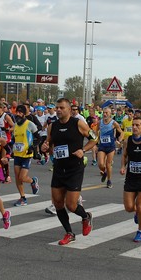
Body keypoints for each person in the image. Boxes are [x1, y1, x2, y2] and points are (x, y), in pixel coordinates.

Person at [41, 98, 96, 245]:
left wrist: (83, 150)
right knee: (58, 203)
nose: (58, 110)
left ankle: (86, 217)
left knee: (71, 205)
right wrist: (45, 148)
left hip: (74, 168)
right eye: (57, 107)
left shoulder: (78, 123)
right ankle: (69, 233)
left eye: (62, 108)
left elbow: (94, 139)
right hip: (59, 167)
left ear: (69, 110)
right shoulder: (52, 126)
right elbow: (49, 144)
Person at [11, 105, 40, 207]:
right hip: (17, 154)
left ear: (23, 114)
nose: (17, 114)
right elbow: (13, 139)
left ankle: (33, 181)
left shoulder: (30, 124)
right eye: (16, 112)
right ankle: (23, 198)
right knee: (17, 178)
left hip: (27, 154)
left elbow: (38, 138)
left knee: (22, 177)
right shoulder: (15, 125)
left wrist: (32, 147)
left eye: (19, 112)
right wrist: (12, 149)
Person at [97, 107, 123, 189]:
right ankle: (104, 172)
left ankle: (109, 180)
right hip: (102, 146)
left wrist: (119, 140)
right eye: (103, 113)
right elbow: (95, 131)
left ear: (110, 114)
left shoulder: (113, 123)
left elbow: (121, 132)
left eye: (106, 113)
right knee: (100, 164)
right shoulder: (99, 122)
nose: (104, 114)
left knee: (108, 164)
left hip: (111, 146)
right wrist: (95, 139)